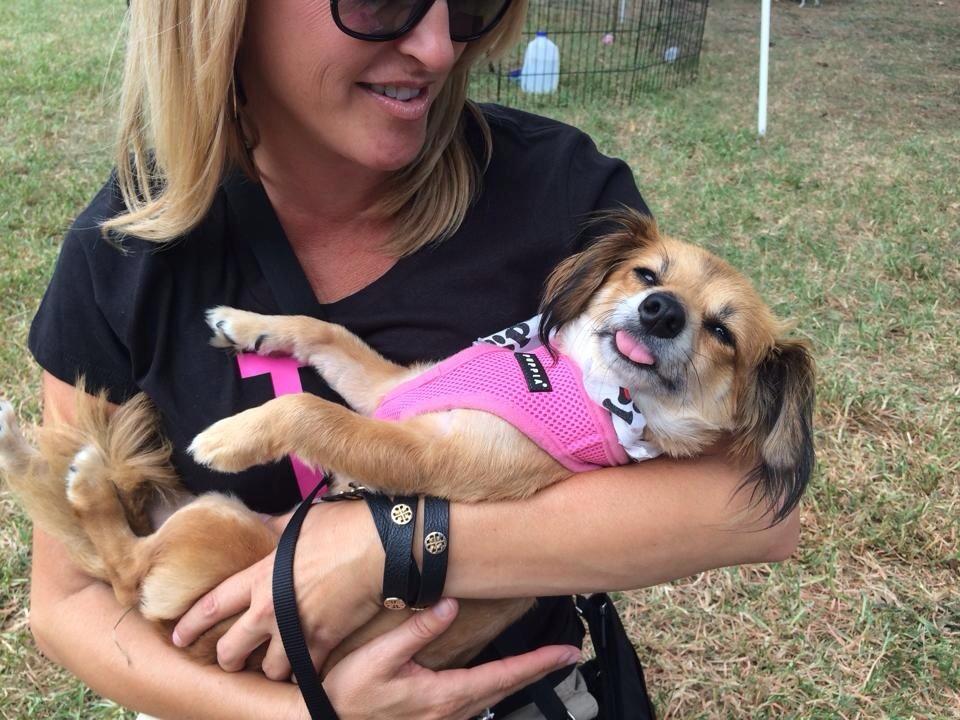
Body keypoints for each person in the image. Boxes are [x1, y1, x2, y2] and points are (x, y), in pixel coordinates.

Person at [26, 1, 801, 718]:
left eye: (470, 0)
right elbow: (64, 610)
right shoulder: (122, 251)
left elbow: (754, 509)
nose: (438, 47)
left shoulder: (560, 193)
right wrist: (312, 715)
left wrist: (388, 547)